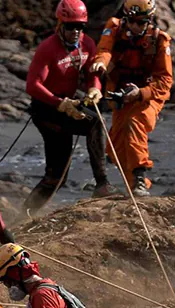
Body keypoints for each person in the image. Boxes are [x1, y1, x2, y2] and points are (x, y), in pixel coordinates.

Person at [23, 0, 119, 215]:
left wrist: (95, 89)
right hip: (47, 108)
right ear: (60, 25)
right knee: (58, 172)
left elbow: (92, 74)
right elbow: (33, 85)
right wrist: (61, 104)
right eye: (70, 26)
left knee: (94, 123)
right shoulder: (48, 48)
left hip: (70, 102)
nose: (75, 31)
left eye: (80, 27)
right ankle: (26, 214)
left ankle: (102, 184)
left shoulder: (87, 45)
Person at [90, 0, 173, 197]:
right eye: (132, 21)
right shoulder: (114, 29)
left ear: (150, 20)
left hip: (147, 95)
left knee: (134, 124)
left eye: (141, 22)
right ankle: (135, 187)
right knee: (115, 145)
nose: (136, 26)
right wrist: (101, 63)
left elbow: (165, 81)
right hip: (121, 94)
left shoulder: (159, 40)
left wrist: (141, 93)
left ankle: (139, 178)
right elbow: (105, 49)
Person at [0, 244, 69, 308]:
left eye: (7, 282)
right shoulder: (42, 289)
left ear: (15, 274)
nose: (8, 287)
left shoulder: (41, 295)